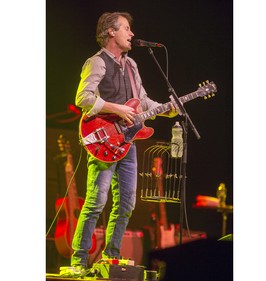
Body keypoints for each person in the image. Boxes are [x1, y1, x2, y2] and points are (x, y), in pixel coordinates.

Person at [68, 11, 178, 277]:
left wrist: (167, 109)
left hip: (127, 143)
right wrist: (116, 109)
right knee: (96, 201)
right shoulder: (96, 62)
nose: (131, 34)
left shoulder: (132, 66)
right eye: (126, 29)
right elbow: (83, 98)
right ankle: (78, 261)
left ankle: (111, 257)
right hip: (103, 139)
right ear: (111, 32)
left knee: (127, 203)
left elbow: (142, 100)